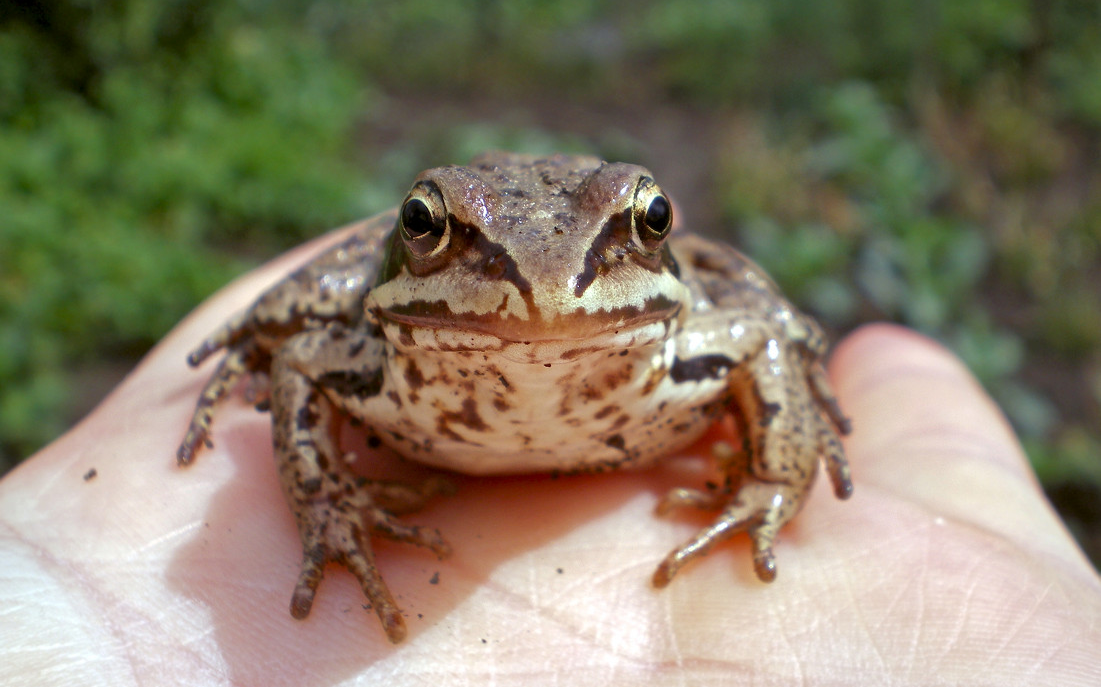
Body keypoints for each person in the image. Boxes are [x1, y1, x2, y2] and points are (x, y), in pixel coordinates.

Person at [1, 234, 1099, 686]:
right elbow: (299, 373)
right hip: (421, 322)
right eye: (435, 232)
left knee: (779, 314)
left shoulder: (701, 348)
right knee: (280, 324)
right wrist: (325, 503)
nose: (545, 293)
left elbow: (758, 329)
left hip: (632, 346)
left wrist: (775, 480)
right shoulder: (370, 359)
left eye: (644, 225)